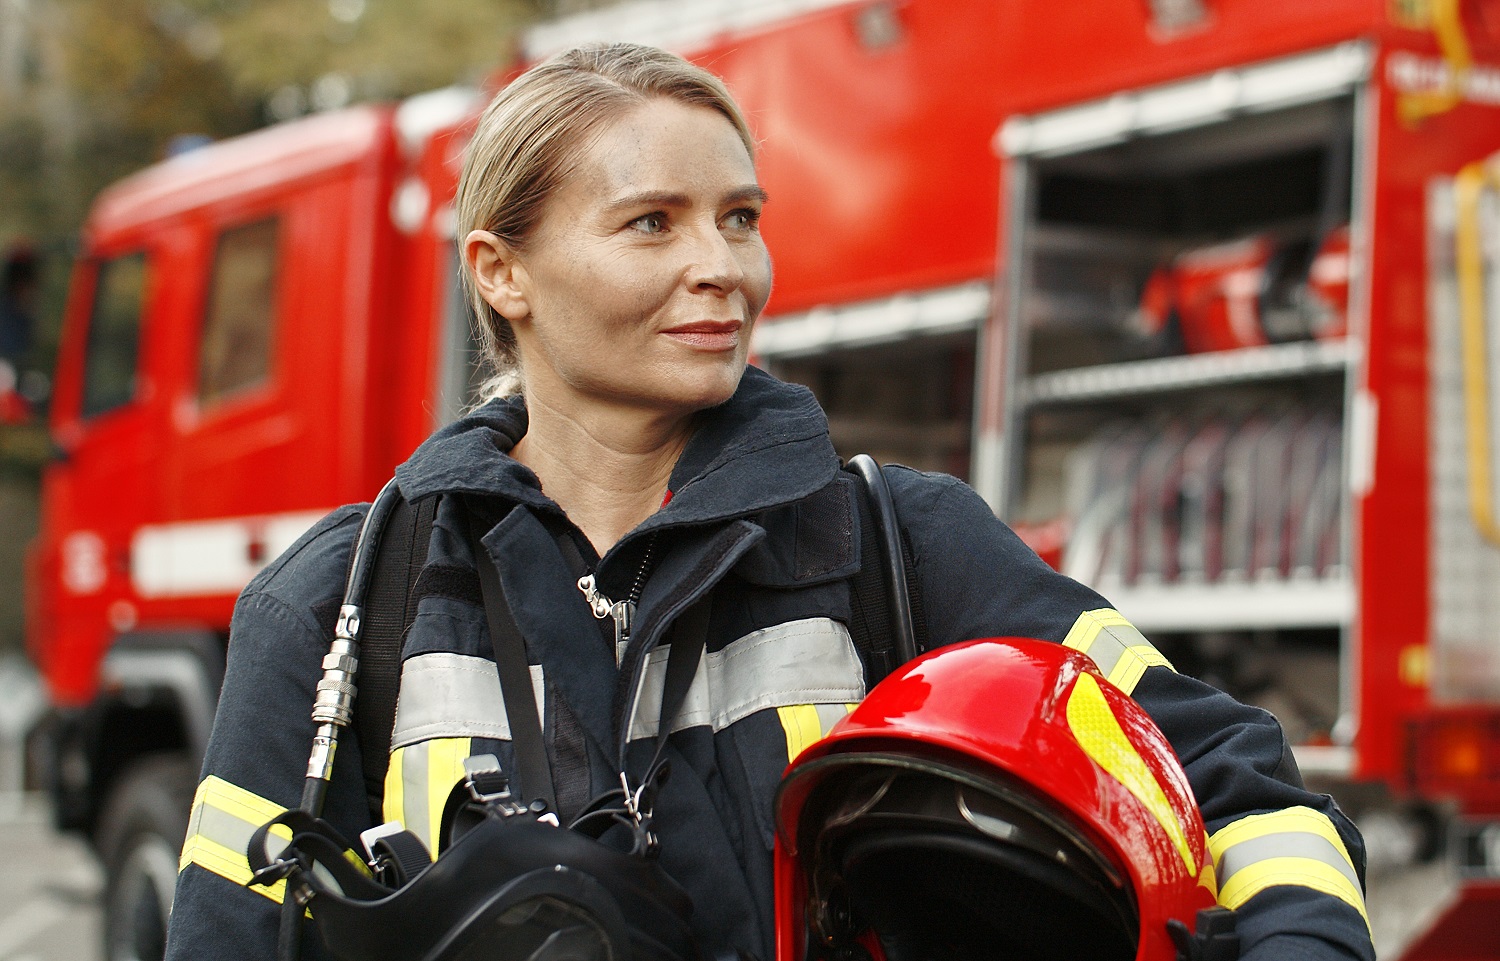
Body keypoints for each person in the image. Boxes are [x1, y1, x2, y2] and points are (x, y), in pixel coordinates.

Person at [167, 42, 1375, 961]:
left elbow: (1234, 781)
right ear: (503, 273)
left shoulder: (900, 543)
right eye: (653, 223)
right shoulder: (338, 605)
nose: (724, 268)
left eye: (739, 219)